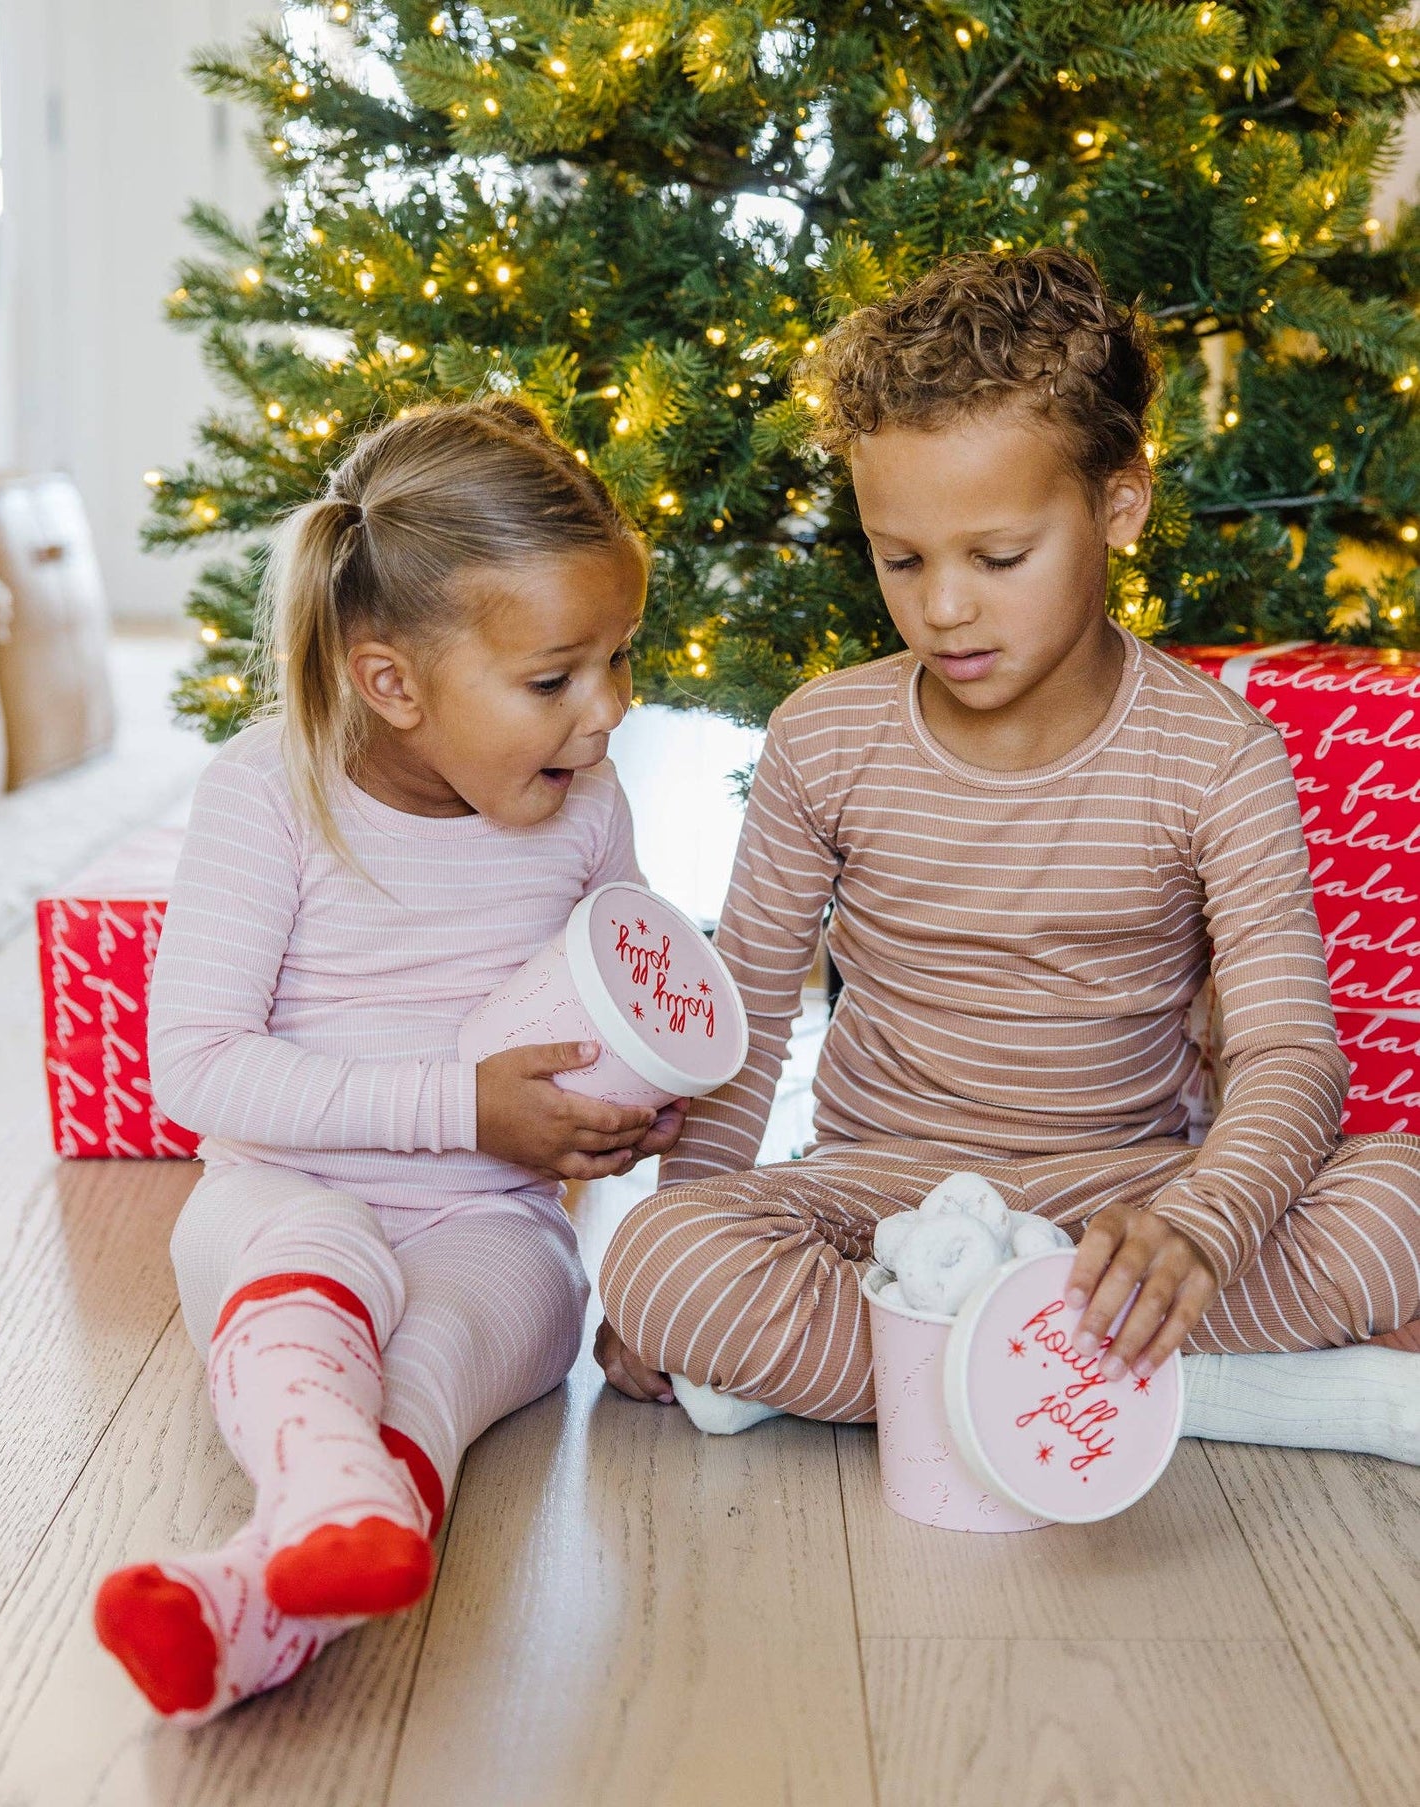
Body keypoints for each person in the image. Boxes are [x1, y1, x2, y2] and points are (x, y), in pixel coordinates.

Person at [596, 248, 1420, 1459]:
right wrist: (676, 1254)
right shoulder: (823, 737)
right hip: (884, 1202)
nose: (942, 609)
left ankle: (901, 1363)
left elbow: (1288, 1047)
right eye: (900, 558)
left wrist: (1196, 1224)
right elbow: (748, 1023)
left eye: (996, 558)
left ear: (1117, 508)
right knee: (657, 1260)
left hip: (1125, 1199)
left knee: (1396, 1195)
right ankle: (1173, 1389)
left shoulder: (1213, 753)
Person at [93, 399, 685, 1722]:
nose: (608, 712)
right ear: (391, 680)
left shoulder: (591, 806)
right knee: (326, 1255)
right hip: (281, 1208)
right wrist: (462, 1103)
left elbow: (641, 993)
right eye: (554, 678)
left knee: (458, 1342)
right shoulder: (272, 790)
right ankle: (321, 1490)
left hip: (496, 1224)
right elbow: (192, 1064)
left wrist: (630, 1115)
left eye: (619, 657)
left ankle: (255, 1601)